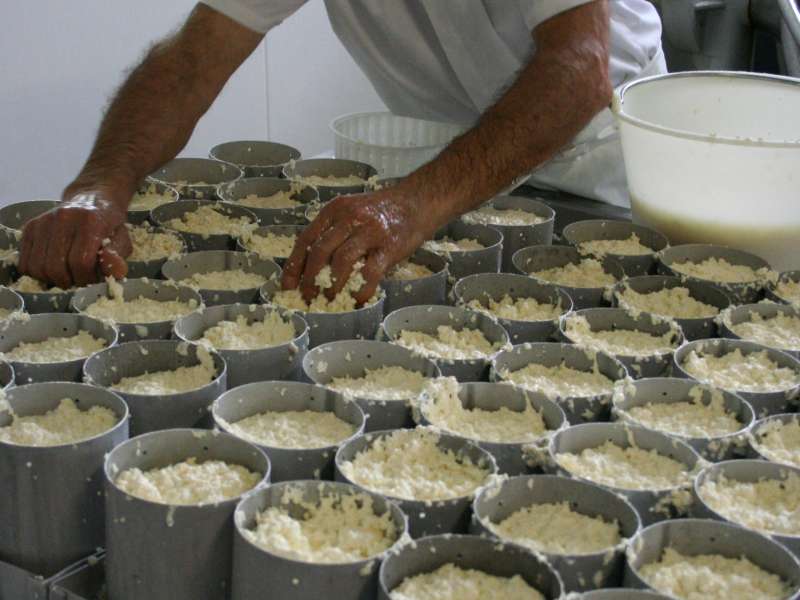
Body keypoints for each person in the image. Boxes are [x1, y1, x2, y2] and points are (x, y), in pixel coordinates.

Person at [19, 0, 664, 305]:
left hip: (600, 161)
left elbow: (578, 70)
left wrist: (404, 207)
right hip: (452, 168)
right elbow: (188, 63)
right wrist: (98, 187)